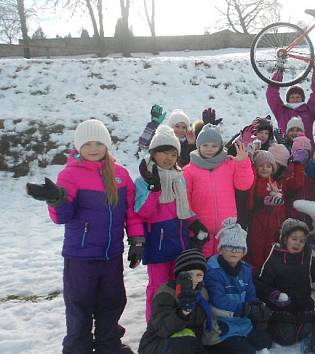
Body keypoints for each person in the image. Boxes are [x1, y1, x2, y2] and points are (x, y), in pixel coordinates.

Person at [26, 119, 143, 354]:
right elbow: (62, 217)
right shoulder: (70, 175)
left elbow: (131, 212)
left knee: (112, 302)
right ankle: (77, 348)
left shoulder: (120, 175)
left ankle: (108, 345)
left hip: (111, 255)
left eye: (98, 143)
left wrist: (137, 240)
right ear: (78, 146)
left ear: (106, 145)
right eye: (87, 143)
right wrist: (56, 199)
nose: (93, 148)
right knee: (80, 306)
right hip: (80, 257)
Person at [134, 125, 194, 322]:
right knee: (159, 287)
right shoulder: (144, 180)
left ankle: (174, 323)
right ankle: (155, 324)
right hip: (157, 245)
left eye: (172, 154)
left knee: (179, 285)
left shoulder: (179, 177)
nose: (168, 158)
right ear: (153, 153)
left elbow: (184, 209)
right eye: (163, 153)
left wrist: (196, 224)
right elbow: (143, 212)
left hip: (179, 242)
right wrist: (154, 189)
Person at [255, 219, 315, 345]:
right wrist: (274, 295)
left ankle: (306, 322)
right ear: (285, 239)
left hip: (303, 307)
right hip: (281, 309)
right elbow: (261, 285)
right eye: (294, 238)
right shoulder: (274, 259)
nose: (298, 243)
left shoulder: (307, 259)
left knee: (306, 331)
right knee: (286, 337)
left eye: (302, 240)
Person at [183, 124, 254, 257]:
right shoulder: (189, 170)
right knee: (203, 266)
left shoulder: (229, 164)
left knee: (223, 266)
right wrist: (192, 222)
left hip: (227, 229)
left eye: (214, 146)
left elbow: (244, 185)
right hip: (200, 230)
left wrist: (243, 163)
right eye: (205, 145)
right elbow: (184, 200)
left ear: (220, 146)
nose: (209, 149)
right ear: (199, 146)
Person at [205, 218, 273, 354]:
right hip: (221, 321)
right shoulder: (213, 272)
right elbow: (217, 299)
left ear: (243, 252)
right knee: (246, 351)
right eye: (229, 246)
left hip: (242, 321)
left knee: (266, 341)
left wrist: (256, 306)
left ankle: (241, 338)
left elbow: (250, 292)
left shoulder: (245, 270)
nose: (234, 251)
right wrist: (243, 309)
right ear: (221, 249)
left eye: (239, 248)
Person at [138, 249, 212, 354]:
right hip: (158, 343)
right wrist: (183, 312)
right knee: (185, 339)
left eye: (199, 275)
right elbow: (162, 328)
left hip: (190, 343)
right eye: (189, 275)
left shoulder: (202, 293)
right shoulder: (167, 293)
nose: (194, 279)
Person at [246, 147, 304, 273]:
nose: (265, 168)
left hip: (275, 226)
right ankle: (256, 278)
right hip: (258, 224)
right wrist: (249, 159)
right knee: (256, 252)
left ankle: (268, 278)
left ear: (273, 169)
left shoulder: (279, 183)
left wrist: (298, 164)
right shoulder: (255, 181)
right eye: (261, 165)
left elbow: (298, 183)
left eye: (268, 166)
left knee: (271, 253)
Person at [267, 68, 315, 142]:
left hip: (306, 150)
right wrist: (279, 72)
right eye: (292, 97)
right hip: (284, 150)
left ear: (302, 98)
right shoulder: (281, 111)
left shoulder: (309, 111)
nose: (295, 99)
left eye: (298, 97)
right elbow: (272, 94)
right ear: (288, 99)